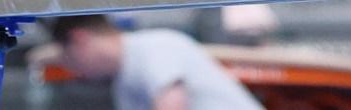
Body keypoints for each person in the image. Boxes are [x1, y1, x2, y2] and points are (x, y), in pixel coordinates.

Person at [49, 15, 263, 110]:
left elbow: (173, 104)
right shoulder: (123, 81)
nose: (76, 70)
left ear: (80, 39)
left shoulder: (154, 46)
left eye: (70, 59)